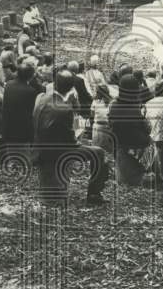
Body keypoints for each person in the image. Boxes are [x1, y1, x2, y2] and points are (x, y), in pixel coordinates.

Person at [33, 70, 109, 204]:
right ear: (71, 88)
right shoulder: (65, 109)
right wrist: (78, 137)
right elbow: (69, 141)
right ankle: (94, 194)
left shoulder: (42, 98)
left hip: (40, 145)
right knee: (99, 153)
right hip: (58, 151)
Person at [109, 75, 154, 186]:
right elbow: (146, 129)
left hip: (119, 144)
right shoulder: (134, 107)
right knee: (151, 142)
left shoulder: (113, 105)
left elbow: (111, 125)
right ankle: (147, 172)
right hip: (138, 144)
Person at [0, 61, 41, 157]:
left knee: (11, 156)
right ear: (30, 76)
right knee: (23, 158)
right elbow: (31, 113)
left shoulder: (8, 85)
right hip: (22, 132)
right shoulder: (30, 91)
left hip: (8, 128)